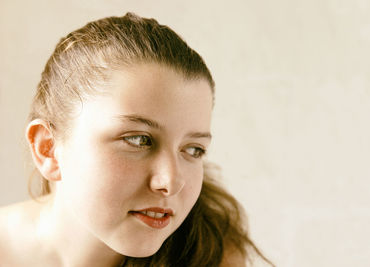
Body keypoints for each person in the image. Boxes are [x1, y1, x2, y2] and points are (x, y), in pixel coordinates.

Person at [0, 13, 274, 267]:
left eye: (193, 149)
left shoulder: (211, 256)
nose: (170, 183)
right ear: (48, 149)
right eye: (139, 140)